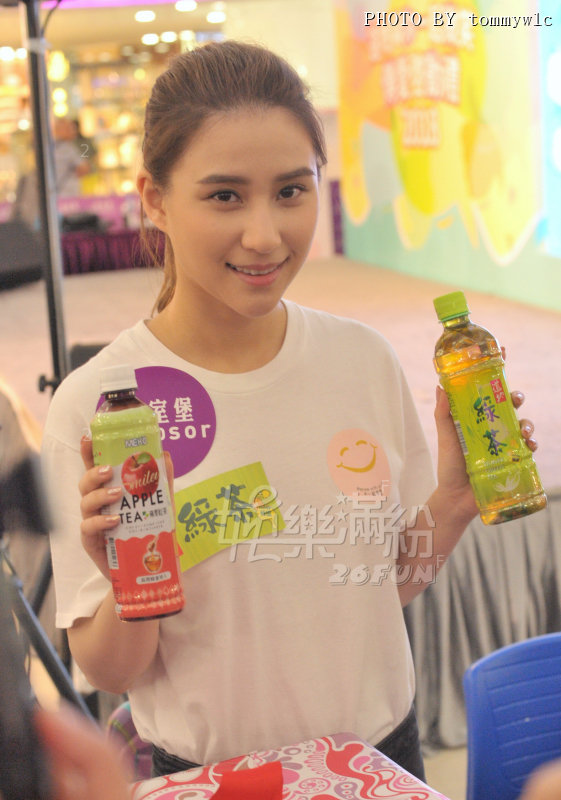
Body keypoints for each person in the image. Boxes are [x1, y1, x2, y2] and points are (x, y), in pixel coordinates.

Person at [41, 40, 538, 782]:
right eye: (224, 196)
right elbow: (111, 670)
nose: (264, 235)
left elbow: (384, 581)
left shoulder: (359, 358)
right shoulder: (106, 407)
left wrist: (454, 503)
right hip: (214, 778)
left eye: (290, 191)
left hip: (380, 759)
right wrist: (132, 580)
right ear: (154, 199)